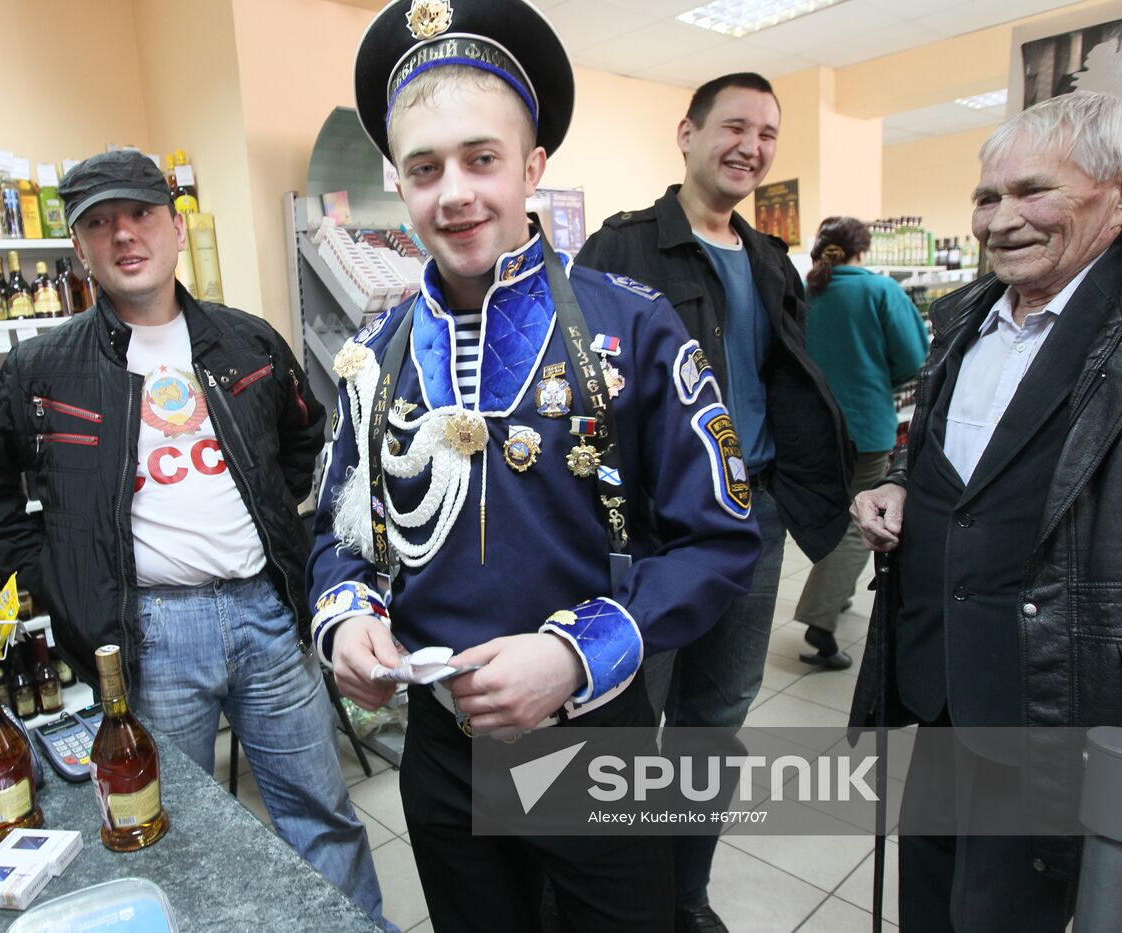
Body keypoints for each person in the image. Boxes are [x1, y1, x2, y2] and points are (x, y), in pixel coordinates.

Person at [309, 0, 761, 928]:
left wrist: (573, 653)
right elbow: (338, 529)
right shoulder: (376, 349)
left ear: (533, 166)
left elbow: (720, 539)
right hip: (441, 749)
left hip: (589, 739)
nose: (456, 193)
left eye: (482, 158)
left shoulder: (632, 327)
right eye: (426, 169)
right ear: (401, 182)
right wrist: (344, 615)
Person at [0, 150, 389, 926]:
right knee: (169, 833)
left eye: (141, 214)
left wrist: (266, 517)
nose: (124, 235)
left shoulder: (247, 343)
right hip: (148, 632)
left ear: (176, 229)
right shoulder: (45, 370)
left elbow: (306, 440)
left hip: (266, 616)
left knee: (324, 817)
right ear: (78, 247)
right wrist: (50, 574)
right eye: (99, 223)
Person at [575, 72, 853, 933]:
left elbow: (791, 385)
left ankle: (681, 893)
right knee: (623, 717)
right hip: (653, 530)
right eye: (735, 127)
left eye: (768, 134)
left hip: (754, 520)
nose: (752, 147)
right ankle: (604, 895)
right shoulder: (622, 249)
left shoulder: (770, 258)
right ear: (687, 133)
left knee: (714, 719)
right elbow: (578, 390)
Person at [849, 90, 1122, 932]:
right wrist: (897, 477)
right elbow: (946, 450)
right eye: (985, 197)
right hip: (935, 676)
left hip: (1045, 694)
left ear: (1113, 195)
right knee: (930, 890)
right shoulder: (962, 314)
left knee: (1008, 907)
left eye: (1033, 191)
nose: (1000, 220)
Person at [794, 217, 929, 669]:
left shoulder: (803, 293)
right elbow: (914, 359)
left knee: (830, 514)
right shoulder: (880, 291)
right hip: (867, 428)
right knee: (858, 524)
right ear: (861, 251)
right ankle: (819, 620)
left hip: (812, 429)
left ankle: (836, 596)